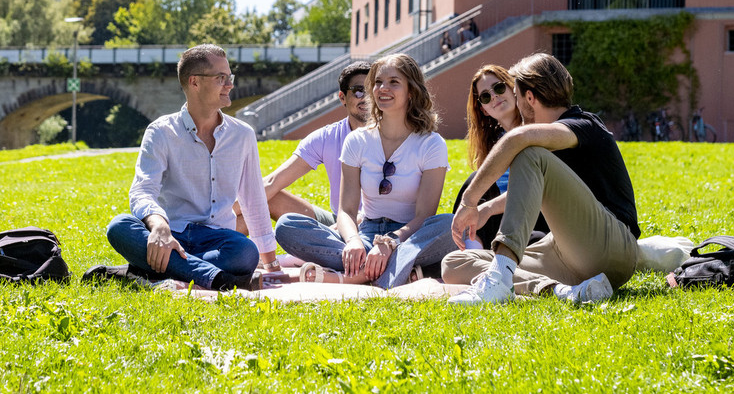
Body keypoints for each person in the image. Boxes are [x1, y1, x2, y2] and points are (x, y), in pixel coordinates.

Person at [444, 53, 641, 305]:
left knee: (528, 153)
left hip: (614, 249)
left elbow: (518, 139)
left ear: (529, 98)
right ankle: (561, 291)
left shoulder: (584, 125)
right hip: (570, 256)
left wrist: (469, 201)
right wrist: (486, 209)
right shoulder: (551, 142)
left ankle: (500, 279)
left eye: (516, 97)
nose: (516, 106)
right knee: (455, 263)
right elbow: (530, 188)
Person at [104, 44, 277, 291]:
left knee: (245, 253)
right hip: (170, 233)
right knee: (119, 226)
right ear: (194, 82)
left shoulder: (243, 135)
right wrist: (159, 225)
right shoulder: (161, 132)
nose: (230, 85)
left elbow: (253, 199)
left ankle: (150, 270)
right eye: (221, 78)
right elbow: (142, 190)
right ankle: (216, 278)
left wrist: (270, 262)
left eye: (230, 77)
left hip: (218, 241)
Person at [275, 53, 456, 288]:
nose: (383, 88)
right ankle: (388, 270)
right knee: (287, 225)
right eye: (378, 82)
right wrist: (353, 241)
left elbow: (424, 215)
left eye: (393, 82)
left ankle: (358, 274)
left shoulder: (431, 144)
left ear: (411, 91)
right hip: (366, 234)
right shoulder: (357, 140)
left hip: (409, 237)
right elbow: (346, 210)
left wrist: (389, 243)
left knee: (449, 225)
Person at [235, 61, 371, 232]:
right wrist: (220, 217)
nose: (367, 97)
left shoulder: (394, 136)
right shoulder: (327, 137)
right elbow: (272, 182)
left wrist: (344, 228)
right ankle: (215, 239)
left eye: (372, 90)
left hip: (381, 224)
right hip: (340, 220)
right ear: (342, 98)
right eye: (359, 91)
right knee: (268, 196)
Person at [451, 64, 549, 249]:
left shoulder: (538, 130)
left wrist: (488, 209)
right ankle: (472, 252)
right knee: (474, 182)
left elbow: (536, 187)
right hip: (501, 219)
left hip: (538, 213)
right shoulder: (493, 144)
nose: (494, 96)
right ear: (484, 109)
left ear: (513, 88)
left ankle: (476, 256)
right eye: (486, 96)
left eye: (498, 87)